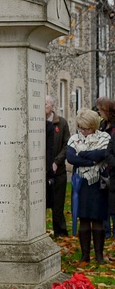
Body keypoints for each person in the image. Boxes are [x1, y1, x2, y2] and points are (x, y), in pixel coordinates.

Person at [69, 109, 110, 263]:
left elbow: (103, 154)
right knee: (84, 219)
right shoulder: (74, 139)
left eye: (86, 128)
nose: (83, 131)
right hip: (82, 183)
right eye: (80, 127)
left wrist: (84, 154)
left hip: (98, 183)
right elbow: (71, 158)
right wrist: (92, 160)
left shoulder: (104, 137)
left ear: (94, 126)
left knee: (98, 219)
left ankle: (99, 255)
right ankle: (85, 255)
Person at [46, 95, 71, 236]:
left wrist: (56, 162)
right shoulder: (36, 122)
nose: (43, 107)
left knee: (58, 203)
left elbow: (67, 145)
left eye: (46, 104)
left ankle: (60, 232)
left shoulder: (61, 123)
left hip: (58, 171)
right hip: (41, 171)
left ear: (52, 106)